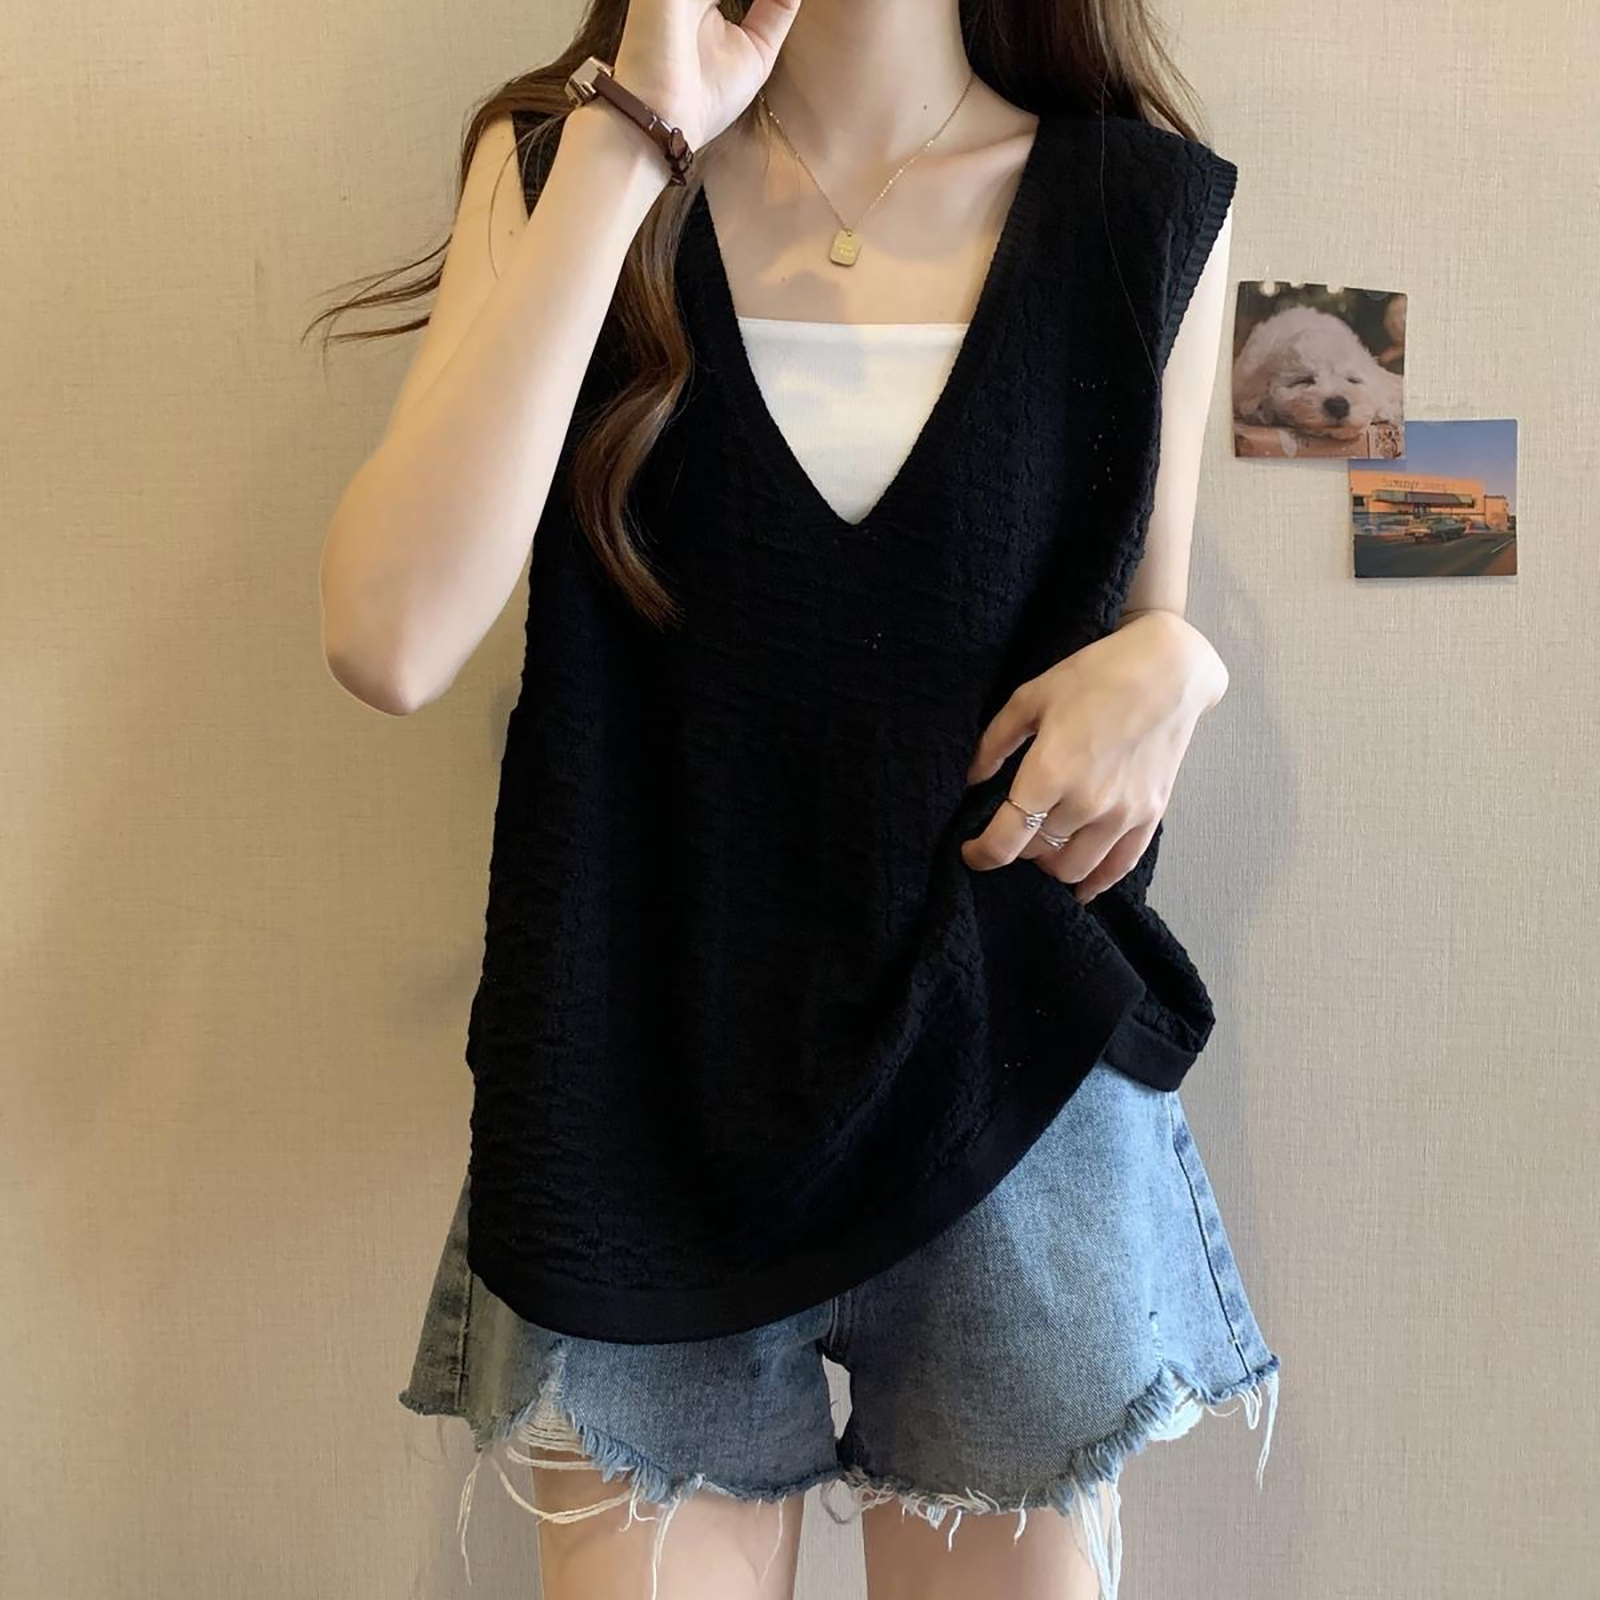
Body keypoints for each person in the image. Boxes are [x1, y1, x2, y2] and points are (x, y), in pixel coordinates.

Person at [313, 2, 1281, 1596]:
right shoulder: (564, 166)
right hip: (637, 1085)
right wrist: (635, 138)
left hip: (1005, 1081)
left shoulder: (1142, 203)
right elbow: (389, 638)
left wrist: (1185, 663)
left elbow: (1130, 647)